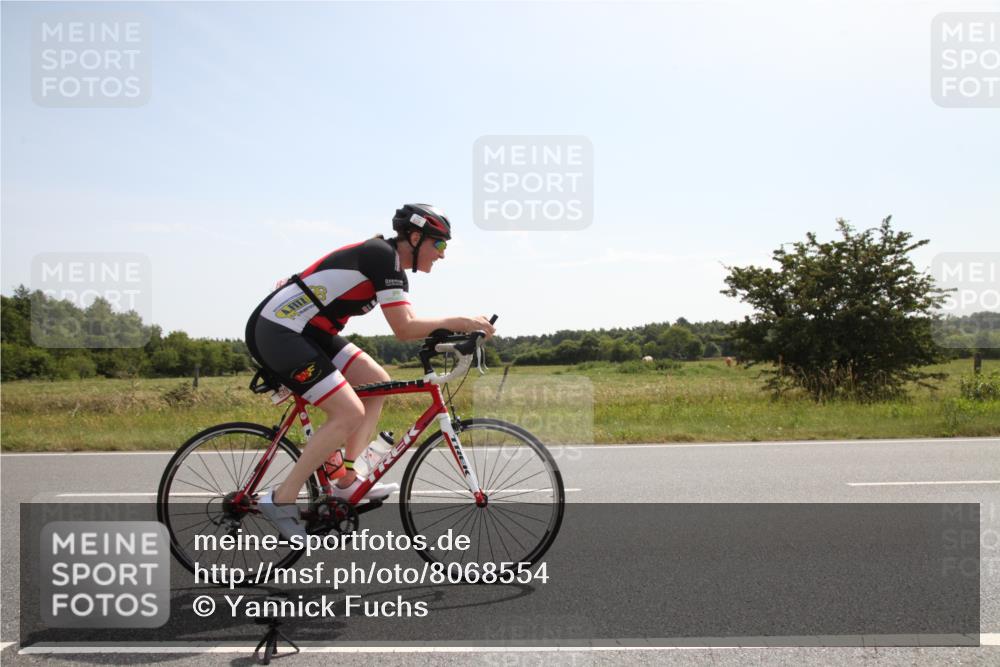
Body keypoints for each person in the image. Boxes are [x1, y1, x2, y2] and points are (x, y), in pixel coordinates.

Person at [244, 204, 495, 539]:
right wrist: (461, 321)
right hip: (279, 329)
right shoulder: (381, 256)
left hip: (309, 332)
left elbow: (408, 324)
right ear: (416, 237)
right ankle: (281, 498)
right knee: (348, 412)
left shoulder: (392, 267)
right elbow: (404, 329)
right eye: (440, 245)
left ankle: (345, 481)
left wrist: (453, 336)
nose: (442, 255)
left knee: (377, 382)